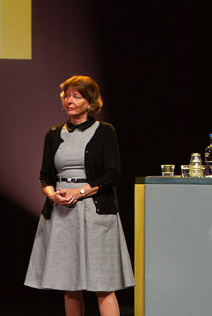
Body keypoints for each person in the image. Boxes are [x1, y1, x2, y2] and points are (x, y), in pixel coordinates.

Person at [24, 75, 135, 316]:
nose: (69, 100)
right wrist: (52, 195)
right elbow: (45, 174)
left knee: (103, 284)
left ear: (91, 101)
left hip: (96, 213)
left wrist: (80, 191)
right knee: (70, 284)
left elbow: (112, 175)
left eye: (77, 96)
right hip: (64, 214)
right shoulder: (53, 134)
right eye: (67, 95)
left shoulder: (104, 131)